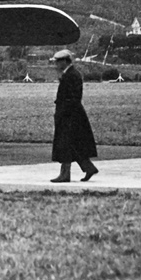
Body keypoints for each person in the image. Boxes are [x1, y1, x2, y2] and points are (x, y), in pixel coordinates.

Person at [50, 50, 98, 182]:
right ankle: (88, 168)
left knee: (65, 143)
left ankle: (65, 174)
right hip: (73, 114)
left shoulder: (71, 75)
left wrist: (62, 112)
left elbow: (72, 97)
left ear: (65, 61)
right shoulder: (71, 74)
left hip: (69, 115)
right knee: (74, 144)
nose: (56, 65)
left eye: (58, 61)